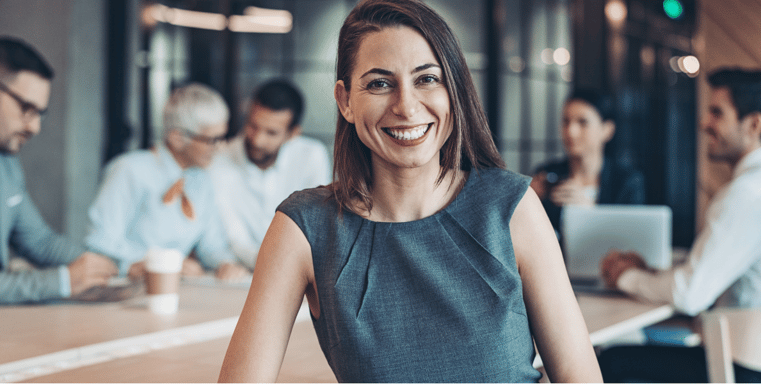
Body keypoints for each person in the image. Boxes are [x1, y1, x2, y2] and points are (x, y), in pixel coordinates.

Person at [218, 0, 602, 382]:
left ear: (453, 91)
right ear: (345, 101)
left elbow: (578, 376)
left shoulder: (511, 207)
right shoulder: (304, 228)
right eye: (380, 84)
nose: (406, 105)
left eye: (427, 79)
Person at [599, 68, 761, 383]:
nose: (704, 123)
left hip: (743, 370)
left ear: (754, 124)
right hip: (753, 362)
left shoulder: (746, 195)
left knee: (610, 361)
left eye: (717, 113)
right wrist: (650, 275)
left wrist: (627, 277)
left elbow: (691, 293)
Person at [84, 83, 248, 281]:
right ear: (177, 138)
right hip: (126, 289)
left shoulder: (202, 180)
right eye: (211, 140)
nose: (220, 148)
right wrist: (155, 263)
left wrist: (225, 264)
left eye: (222, 138)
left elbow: (211, 245)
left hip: (178, 289)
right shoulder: (130, 170)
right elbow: (100, 242)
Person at [0, 37, 117, 304]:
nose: (34, 127)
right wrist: (63, 281)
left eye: (40, 113)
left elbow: (39, 241)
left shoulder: (6, 164)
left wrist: (105, 268)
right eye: (26, 108)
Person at [209, 79, 331, 269]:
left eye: (271, 133)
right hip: (241, 271)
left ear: (293, 134)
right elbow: (233, 237)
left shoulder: (311, 157)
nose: (257, 140)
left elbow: (317, 226)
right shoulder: (219, 161)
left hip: (298, 270)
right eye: (252, 126)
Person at [530, 89, 645, 238]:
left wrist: (590, 212)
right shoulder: (547, 174)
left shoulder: (627, 181)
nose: (571, 131)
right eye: (566, 121)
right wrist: (528, 200)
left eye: (582, 122)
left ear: (607, 130)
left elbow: (632, 237)